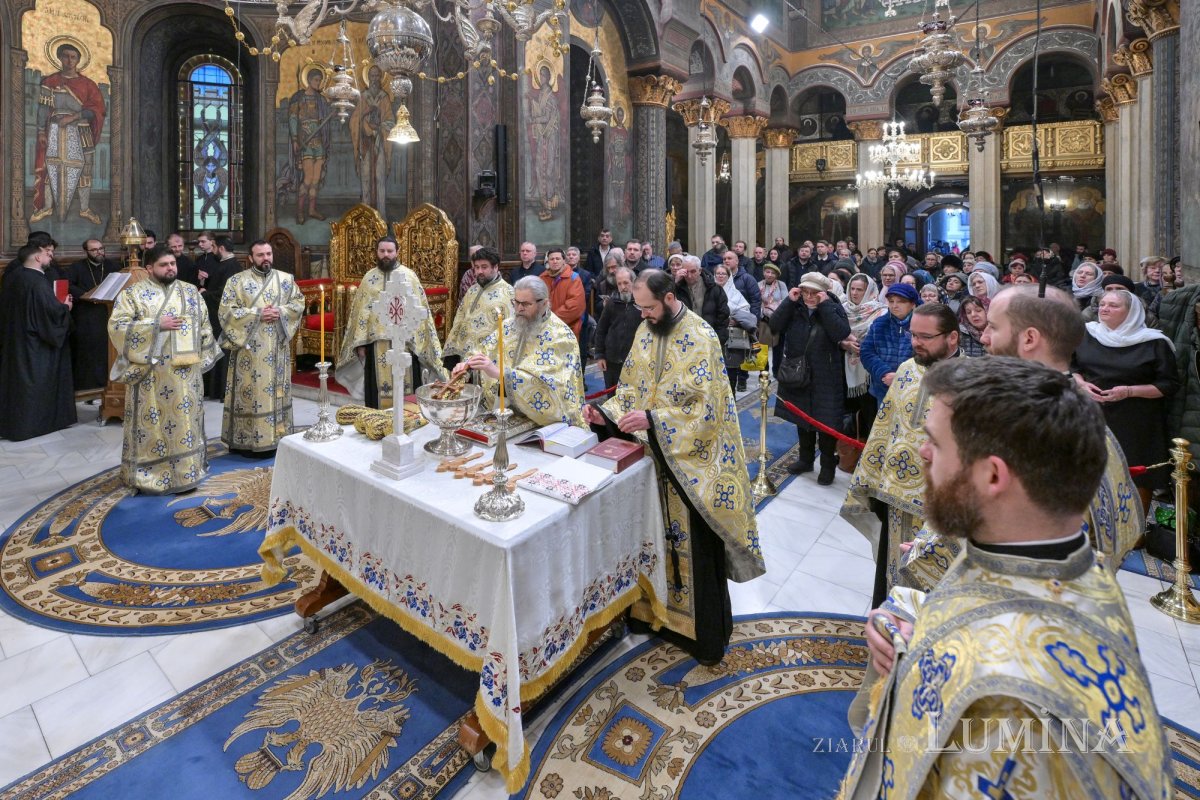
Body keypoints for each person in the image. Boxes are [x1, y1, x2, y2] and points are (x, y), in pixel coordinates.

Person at [840, 357, 1171, 800]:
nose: (921, 452)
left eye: (935, 442)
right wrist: (914, 630)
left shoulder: (1010, 704)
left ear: (993, 474)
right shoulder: (1058, 557)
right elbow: (996, 611)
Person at [582, 270, 765, 665]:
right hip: (651, 460)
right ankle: (653, 618)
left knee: (694, 550)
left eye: (648, 307)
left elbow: (708, 409)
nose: (643, 315)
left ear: (668, 298)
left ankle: (702, 636)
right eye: (639, 307)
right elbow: (629, 389)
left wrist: (655, 420)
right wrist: (604, 413)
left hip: (692, 465)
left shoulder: (701, 336)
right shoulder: (646, 330)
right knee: (649, 540)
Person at [842, 303, 960, 608]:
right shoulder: (906, 370)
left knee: (928, 585)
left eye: (925, 336)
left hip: (939, 504)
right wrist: (869, 482)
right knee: (891, 575)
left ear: (952, 339)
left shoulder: (971, 379)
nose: (916, 342)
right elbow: (884, 427)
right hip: (895, 496)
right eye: (913, 335)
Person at [108, 244, 218, 493]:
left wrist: (202, 355)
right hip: (152, 377)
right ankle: (150, 474)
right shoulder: (133, 294)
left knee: (186, 423)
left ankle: (189, 470)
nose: (171, 268)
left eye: (173, 264)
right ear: (149, 268)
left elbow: (205, 326)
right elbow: (118, 327)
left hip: (186, 375)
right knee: (154, 426)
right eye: (164, 265)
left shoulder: (191, 292)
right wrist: (156, 325)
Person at [1073, 289, 1178, 506]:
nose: (1104, 308)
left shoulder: (1154, 342)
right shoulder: (1086, 334)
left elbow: (1168, 385)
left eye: (1113, 305)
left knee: (1136, 474)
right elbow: (1069, 366)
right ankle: (1094, 532)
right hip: (1093, 414)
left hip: (1137, 418)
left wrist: (1129, 391)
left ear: (1131, 312)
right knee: (1090, 470)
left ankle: (1135, 536)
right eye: (1103, 304)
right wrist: (1081, 383)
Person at [452, 276, 585, 427]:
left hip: (544, 423)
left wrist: (498, 373)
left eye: (526, 304)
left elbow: (547, 385)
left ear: (544, 304)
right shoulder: (509, 325)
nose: (519, 308)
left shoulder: (560, 336)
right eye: (516, 302)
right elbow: (483, 350)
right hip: (504, 411)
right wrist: (467, 365)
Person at [337, 236, 447, 408]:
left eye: (390, 251)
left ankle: (409, 419)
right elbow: (361, 314)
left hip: (405, 342)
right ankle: (376, 422)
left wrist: (419, 341)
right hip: (376, 343)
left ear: (397, 252)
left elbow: (419, 311)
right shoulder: (369, 278)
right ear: (377, 252)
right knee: (377, 390)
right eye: (382, 251)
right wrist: (360, 343)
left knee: (408, 385)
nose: (386, 255)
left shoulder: (409, 276)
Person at [218, 240, 305, 456]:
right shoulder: (236, 281)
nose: (265, 258)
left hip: (276, 349)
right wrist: (257, 314)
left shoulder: (286, 280)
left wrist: (281, 312)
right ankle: (244, 439)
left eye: (268, 254)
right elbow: (226, 312)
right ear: (250, 258)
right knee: (251, 392)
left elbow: (298, 304)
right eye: (260, 255)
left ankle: (278, 437)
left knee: (276, 392)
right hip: (248, 351)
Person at [771, 273, 851, 484]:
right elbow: (775, 325)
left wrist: (824, 306)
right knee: (802, 418)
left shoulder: (832, 307)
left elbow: (841, 332)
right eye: (805, 291)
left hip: (826, 374)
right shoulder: (795, 307)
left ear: (823, 293)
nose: (808, 296)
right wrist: (789, 301)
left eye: (813, 293)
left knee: (826, 423)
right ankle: (805, 459)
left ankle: (827, 466)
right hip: (799, 372)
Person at [0, 243, 75, 441]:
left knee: (18, 384)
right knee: (35, 383)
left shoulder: (15, 277)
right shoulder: (38, 282)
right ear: (37, 258)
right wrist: (65, 307)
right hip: (35, 345)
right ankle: (32, 426)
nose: (50, 257)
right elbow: (50, 314)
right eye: (47, 254)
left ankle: (13, 425)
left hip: (16, 340)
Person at [30, 42, 106, 225]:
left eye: (73, 57)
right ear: (60, 58)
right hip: (55, 130)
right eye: (66, 56)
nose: (69, 60)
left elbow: (97, 109)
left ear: (78, 60)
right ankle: (48, 207)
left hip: (81, 130)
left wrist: (74, 117)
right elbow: (43, 109)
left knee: (85, 170)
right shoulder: (50, 81)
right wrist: (41, 131)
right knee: (51, 168)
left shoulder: (88, 85)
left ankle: (85, 209)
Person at [442, 246, 513, 371]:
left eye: (484, 267)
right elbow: (460, 317)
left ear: (495, 267)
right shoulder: (473, 289)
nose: (479, 271)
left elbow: (509, 331)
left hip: (488, 358)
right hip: (463, 354)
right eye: (477, 267)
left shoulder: (508, 294)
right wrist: (452, 344)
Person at [65, 239, 122, 392]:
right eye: (94, 250)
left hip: (108, 312)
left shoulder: (113, 266)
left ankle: (107, 385)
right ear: (86, 251)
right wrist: (86, 295)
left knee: (107, 351)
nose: (99, 252)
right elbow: (69, 285)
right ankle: (88, 388)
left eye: (101, 248)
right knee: (88, 352)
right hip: (86, 314)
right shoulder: (76, 267)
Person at [842, 274, 888, 440]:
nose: (854, 293)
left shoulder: (880, 311)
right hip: (844, 363)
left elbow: (881, 339)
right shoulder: (842, 309)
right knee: (847, 413)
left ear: (868, 291)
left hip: (869, 370)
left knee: (869, 412)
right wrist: (843, 343)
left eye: (859, 289)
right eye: (852, 289)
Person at [859, 283, 918, 404]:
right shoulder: (879, 323)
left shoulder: (921, 325)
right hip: (883, 386)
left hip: (913, 389)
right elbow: (867, 352)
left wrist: (900, 377)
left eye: (901, 301)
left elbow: (927, 356)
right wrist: (884, 372)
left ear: (912, 304)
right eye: (891, 301)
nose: (895, 306)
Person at [288, 67, 332, 224]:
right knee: (307, 179)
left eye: (320, 81)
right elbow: (293, 119)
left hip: (318, 141)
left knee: (316, 179)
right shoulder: (298, 99)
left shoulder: (321, 100)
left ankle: (312, 210)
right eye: (316, 80)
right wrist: (294, 140)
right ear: (309, 80)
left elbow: (327, 118)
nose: (318, 83)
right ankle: (300, 211)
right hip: (305, 141)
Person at [202, 236, 239, 401]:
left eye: (214, 247)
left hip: (222, 317)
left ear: (221, 248)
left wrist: (205, 293)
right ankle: (214, 390)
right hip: (216, 316)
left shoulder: (231, 266)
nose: (213, 250)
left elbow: (224, 294)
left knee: (222, 351)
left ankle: (222, 390)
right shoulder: (225, 265)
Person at [593, 267, 640, 389]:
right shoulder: (611, 303)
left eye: (626, 283)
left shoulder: (642, 303)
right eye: (619, 284)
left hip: (635, 361)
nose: (623, 287)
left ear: (633, 283)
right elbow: (601, 330)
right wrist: (600, 355)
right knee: (612, 397)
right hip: (611, 360)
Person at [723, 250, 761, 393]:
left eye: (730, 258)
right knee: (730, 357)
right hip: (725, 326)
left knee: (741, 351)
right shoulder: (720, 278)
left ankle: (742, 380)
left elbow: (755, 301)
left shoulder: (747, 279)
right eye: (724, 258)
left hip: (742, 321)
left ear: (737, 261)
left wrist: (752, 322)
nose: (727, 261)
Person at [716, 262, 756, 392]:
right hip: (714, 334)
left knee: (730, 374)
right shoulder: (709, 291)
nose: (720, 276)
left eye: (723, 274)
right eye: (718, 273)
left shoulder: (735, 293)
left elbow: (745, 310)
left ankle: (731, 399)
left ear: (728, 277)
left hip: (731, 338)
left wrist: (736, 320)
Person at [676, 255, 729, 348]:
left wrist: (719, 339)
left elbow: (723, 315)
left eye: (693, 271)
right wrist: (675, 282)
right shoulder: (677, 288)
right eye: (686, 272)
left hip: (709, 337)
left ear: (700, 271)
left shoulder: (714, 289)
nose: (689, 276)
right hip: (684, 338)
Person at [539, 247, 586, 337]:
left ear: (564, 261)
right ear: (548, 262)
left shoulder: (574, 278)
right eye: (552, 259)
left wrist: (551, 320)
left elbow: (574, 307)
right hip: (544, 326)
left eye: (558, 258)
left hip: (568, 327)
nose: (555, 261)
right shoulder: (541, 278)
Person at [758, 263, 787, 374]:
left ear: (776, 275)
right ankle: (763, 372)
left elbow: (785, 301)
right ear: (764, 272)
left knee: (778, 348)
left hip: (778, 319)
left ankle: (777, 371)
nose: (769, 275)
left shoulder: (781, 285)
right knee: (762, 347)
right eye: (767, 272)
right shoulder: (759, 284)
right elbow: (756, 300)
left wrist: (772, 306)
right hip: (763, 320)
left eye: (772, 273)